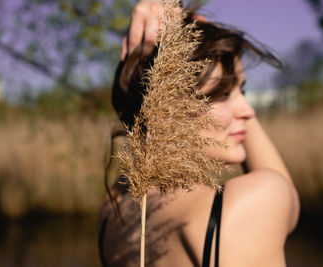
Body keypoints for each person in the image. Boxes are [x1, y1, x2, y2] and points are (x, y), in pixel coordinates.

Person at [99, 1, 300, 266]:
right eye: (224, 94)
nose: (248, 111)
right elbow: (287, 198)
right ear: (167, 110)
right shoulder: (250, 203)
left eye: (243, 91)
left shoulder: (116, 205)